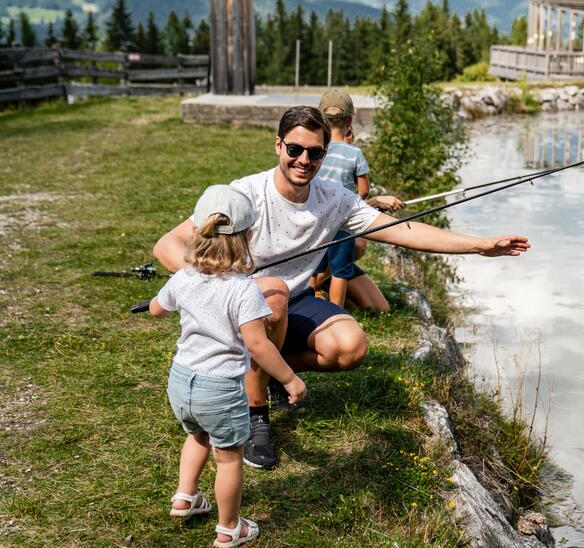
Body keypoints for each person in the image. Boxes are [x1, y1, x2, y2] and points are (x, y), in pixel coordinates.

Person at [153, 105, 529, 470]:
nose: (304, 160)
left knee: (351, 349)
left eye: (314, 152)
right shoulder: (245, 193)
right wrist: (217, 283)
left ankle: (264, 372)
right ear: (278, 145)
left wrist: (479, 245)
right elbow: (167, 245)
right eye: (295, 149)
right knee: (271, 291)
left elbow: (403, 231)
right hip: (249, 303)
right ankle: (256, 417)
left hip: (296, 299)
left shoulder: (336, 197)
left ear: (325, 153)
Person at [148, 184, 308, 547]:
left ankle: (185, 497)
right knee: (229, 458)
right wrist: (289, 379)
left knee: (197, 436)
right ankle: (229, 527)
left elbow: (158, 308)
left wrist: (166, 297)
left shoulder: (183, 276)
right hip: (218, 388)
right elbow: (257, 344)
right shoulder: (243, 289)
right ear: (248, 236)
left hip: (180, 382)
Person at [314, 90, 403, 311]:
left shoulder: (316, 152)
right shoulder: (354, 154)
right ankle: (335, 311)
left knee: (317, 267)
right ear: (350, 121)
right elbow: (363, 190)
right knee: (342, 268)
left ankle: (314, 294)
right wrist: (363, 204)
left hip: (317, 224)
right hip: (341, 224)